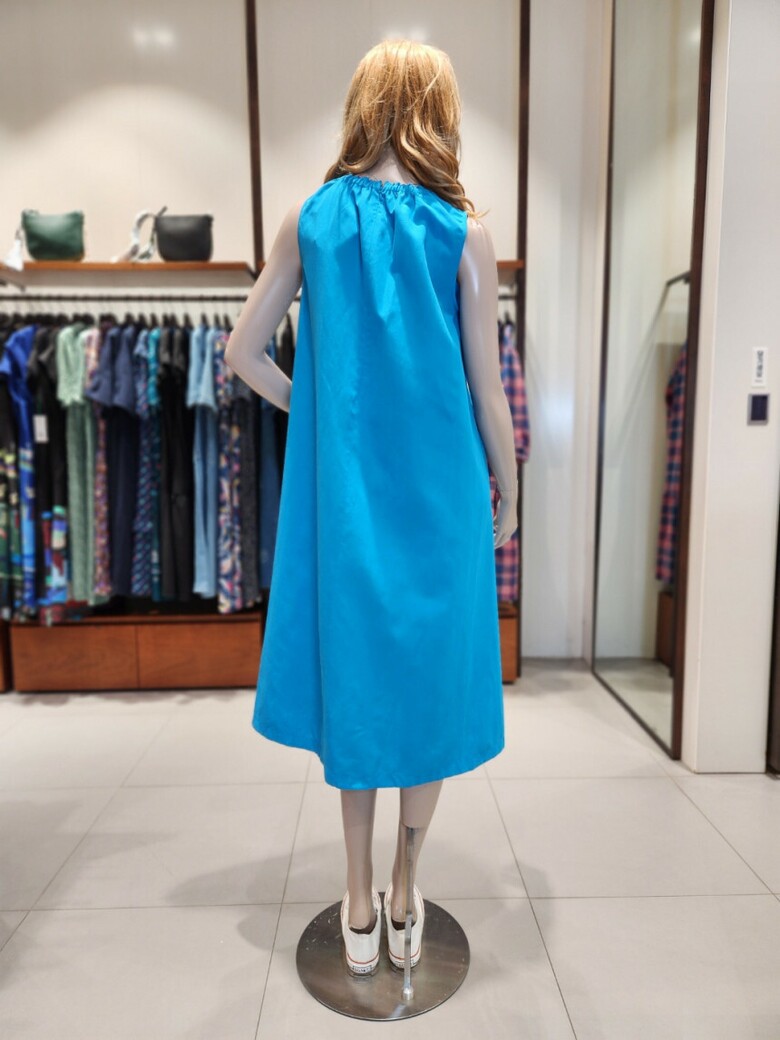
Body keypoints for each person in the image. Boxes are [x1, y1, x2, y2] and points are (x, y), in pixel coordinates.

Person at [225, 38, 518, 977]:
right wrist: (510, 484)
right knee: (427, 686)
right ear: (440, 110)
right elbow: (489, 392)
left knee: (356, 682)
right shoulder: (464, 232)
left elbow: (242, 353)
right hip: (442, 498)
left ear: (362, 105)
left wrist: (312, 413)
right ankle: (404, 885)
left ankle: (355, 894)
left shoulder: (311, 218)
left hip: (344, 500)